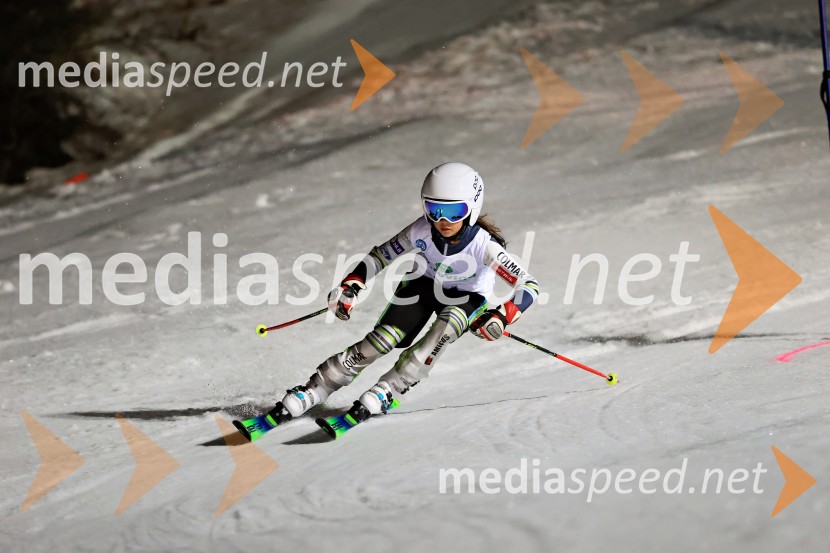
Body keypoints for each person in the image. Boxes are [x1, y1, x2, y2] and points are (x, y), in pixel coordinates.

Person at [266, 162, 540, 426]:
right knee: (383, 339)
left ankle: (390, 388)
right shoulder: (421, 230)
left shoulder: (484, 247)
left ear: (472, 208)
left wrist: (503, 315)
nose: (442, 221)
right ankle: (317, 387)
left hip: (467, 297)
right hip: (424, 284)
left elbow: (529, 285)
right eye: (434, 209)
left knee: (446, 326)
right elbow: (380, 257)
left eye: (454, 211)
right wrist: (352, 284)